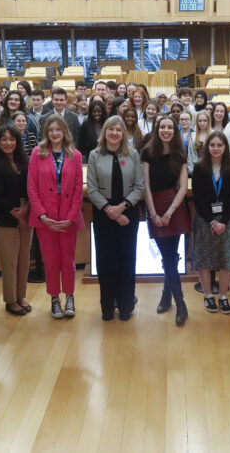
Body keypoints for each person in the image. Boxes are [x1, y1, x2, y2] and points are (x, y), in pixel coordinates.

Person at [87, 116, 145, 321]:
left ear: (124, 134)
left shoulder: (133, 155)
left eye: (118, 130)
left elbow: (140, 187)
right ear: (105, 132)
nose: (114, 133)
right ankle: (107, 307)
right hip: (103, 213)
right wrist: (109, 209)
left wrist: (121, 207)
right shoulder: (94, 155)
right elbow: (92, 189)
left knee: (126, 259)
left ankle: (126, 305)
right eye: (110, 129)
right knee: (105, 260)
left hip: (128, 211)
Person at [29, 115, 85, 319]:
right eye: (51, 130)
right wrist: (42, 215)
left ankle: (70, 296)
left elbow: (78, 188)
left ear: (64, 132)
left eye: (58, 130)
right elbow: (32, 187)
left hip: (68, 217)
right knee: (51, 261)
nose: (54, 133)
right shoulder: (37, 153)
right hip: (46, 219)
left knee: (68, 261)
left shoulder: (75, 155)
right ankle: (54, 298)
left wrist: (71, 217)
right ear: (46, 132)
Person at [141, 115, 192, 325]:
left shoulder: (180, 153)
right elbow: (146, 186)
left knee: (171, 255)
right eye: (162, 126)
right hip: (155, 205)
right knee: (168, 255)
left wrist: (170, 212)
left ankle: (172, 298)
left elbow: (183, 187)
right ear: (157, 128)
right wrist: (153, 214)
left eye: (170, 127)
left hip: (175, 206)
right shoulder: (147, 152)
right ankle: (178, 302)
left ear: (175, 130)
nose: (166, 130)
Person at [0, 125, 34, 317]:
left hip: (27, 215)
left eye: (12, 139)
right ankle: (10, 300)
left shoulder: (25, 160)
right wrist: (16, 212)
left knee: (24, 260)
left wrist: (26, 209)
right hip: (5, 218)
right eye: (4, 139)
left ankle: (21, 296)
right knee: (9, 261)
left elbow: (32, 186)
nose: (8, 143)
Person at [191, 131, 230, 314]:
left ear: (225, 147)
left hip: (226, 220)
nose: (216, 148)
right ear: (207, 147)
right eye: (212, 145)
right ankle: (208, 295)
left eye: (219, 145)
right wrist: (212, 222)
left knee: (226, 258)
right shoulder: (200, 168)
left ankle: (223, 296)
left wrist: (223, 222)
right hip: (205, 219)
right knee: (204, 257)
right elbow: (198, 199)